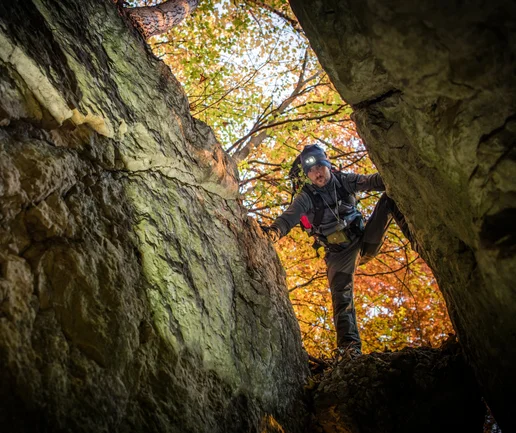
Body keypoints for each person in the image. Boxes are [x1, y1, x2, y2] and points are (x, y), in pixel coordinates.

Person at [262, 144, 417, 359]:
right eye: (311, 171)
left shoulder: (344, 181)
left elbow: (373, 181)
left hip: (363, 241)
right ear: (307, 175)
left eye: (320, 167)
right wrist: (273, 233)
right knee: (342, 298)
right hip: (338, 255)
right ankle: (349, 350)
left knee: (389, 198)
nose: (317, 173)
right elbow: (290, 216)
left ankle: (417, 239)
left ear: (327, 165)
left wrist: (399, 173)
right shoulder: (307, 197)